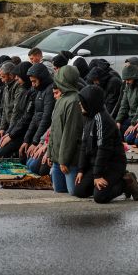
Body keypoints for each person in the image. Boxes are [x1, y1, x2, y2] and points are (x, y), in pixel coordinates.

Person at [74, 85, 138, 203]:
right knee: (80, 191)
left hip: (112, 165)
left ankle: (125, 183)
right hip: (97, 164)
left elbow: (103, 149)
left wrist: (97, 176)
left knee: (100, 197)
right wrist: (81, 169)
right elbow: (84, 145)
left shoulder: (102, 119)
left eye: (82, 102)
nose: (80, 104)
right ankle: (107, 183)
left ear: (90, 103)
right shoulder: (88, 117)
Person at [46, 65, 84, 195]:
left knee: (74, 192)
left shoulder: (74, 101)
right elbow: (54, 129)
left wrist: (64, 160)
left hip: (68, 159)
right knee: (60, 190)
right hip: (57, 158)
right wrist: (50, 153)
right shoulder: (61, 99)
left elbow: (70, 134)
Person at [20, 62, 54, 161]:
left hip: (44, 136)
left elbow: (46, 119)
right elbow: (35, 116)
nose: (33, 85)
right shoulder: (38, 90)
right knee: (23, 156)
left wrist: (36, 142)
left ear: (41, 78)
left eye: (34, 81)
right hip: (38, 133)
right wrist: (27, 139)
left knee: (32, 163)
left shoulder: (49, 91)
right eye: (31, 82)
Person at [115, 64, 138, 137]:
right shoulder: (128, 86)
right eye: (125, 80)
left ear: (135, 78)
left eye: (128, 79)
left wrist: (133, 124)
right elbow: (123, 105)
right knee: (114, 132)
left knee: (128, 138)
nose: (127, 82)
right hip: (130, 117)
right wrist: (118, 121)